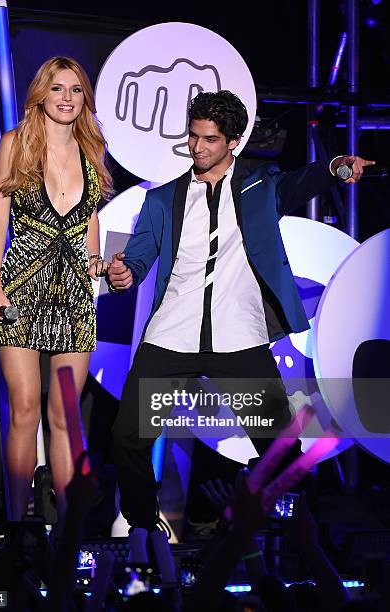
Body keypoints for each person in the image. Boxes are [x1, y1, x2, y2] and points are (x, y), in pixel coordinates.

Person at [107, 90, 374, 533]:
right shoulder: (163, 200)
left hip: (239, 337)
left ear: (233, 141)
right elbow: (137, 258)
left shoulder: (259, 187)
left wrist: (336, 167)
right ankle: (142, 532)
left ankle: (276, 533)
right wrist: (124, 275)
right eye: (193, 137)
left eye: (209, 139)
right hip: (170, 337)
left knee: (279, 448)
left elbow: (303, 180)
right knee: (127, 438)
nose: (197, 148)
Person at [0, 56, 112, 526]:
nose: (67, 99)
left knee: (66, 418)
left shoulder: (91, 148)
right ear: (42, 94)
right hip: (20, 288)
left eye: (76, 91)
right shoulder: (15, 144)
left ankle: (68, 530)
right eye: (58, 89)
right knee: (24, 410)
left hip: (74, 294)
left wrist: (96, 261)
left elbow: (90, 217)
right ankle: (17, 527)